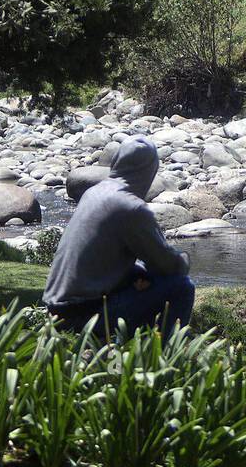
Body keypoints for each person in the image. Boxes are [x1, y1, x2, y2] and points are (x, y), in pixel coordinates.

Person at [43, 136, 195, 339]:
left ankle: (140, 341)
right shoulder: (131, 207)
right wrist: (183, 258)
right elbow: (168, 265)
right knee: (182, 287)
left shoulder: (94, 192)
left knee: (140, 273)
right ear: (149, 171)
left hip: (55, 308)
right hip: (83, 315)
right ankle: (166, 356)